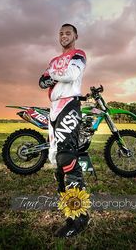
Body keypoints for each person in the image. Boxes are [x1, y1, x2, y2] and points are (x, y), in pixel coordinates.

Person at [39, 23, 89, 238]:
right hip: (53, 109)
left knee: (68, 158)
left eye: (68, 32)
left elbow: (71, 74)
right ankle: (69, 211)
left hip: (69, 105)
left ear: (75, 35)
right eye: (60, 33)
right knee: (57, 163)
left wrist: (53, 74)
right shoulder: (53, 60)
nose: (63, 36)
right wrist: (55, 72)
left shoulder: (79, 54)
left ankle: (80, 217)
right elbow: (42, 82)